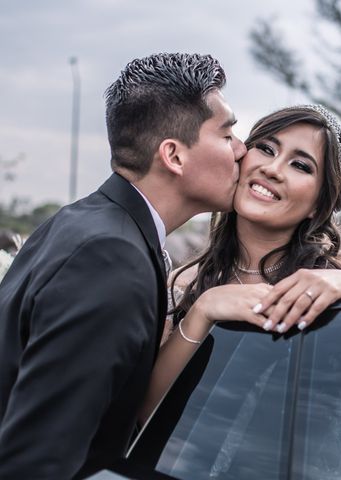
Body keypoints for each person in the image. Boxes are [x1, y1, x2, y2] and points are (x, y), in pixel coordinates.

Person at [0, 53, 247, 479]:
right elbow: (37, 460)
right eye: (227, 134)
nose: (242, 149)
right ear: (173, 155)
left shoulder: (80, 221)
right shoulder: (111, 259)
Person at [141, 104, 341, 421]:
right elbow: (146, 417)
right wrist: (202, 311)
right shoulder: (182, 283)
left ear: (319, 204)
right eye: (266, 148)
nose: (273, 169)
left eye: (300, 165)